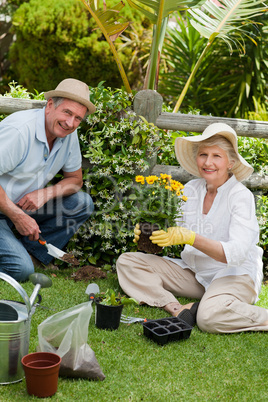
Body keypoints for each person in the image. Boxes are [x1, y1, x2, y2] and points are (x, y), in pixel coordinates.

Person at [116, 123, 268, 333]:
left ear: (230, 162)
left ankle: (209, 309)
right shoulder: (190, 189)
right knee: (128, 262)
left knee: (208, 318)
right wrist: (149, 235)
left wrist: (191, 237)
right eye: (203, 154)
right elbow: (172, 232)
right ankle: (177, 308)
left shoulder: (241, 197)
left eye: (217, 156)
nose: (208, 162)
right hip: (196, 272)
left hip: (234, 275)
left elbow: (237, 254)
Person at [0, 78, 96, 281]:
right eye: (67, 112)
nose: (71, 123)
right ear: (50, 105)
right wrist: (18, 216)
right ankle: (19, 261)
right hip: (4, 209)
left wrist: (46, 193)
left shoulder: (68, 134)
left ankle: (30, 256)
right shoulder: (19, 131)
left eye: (78, 118)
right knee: (20, 271)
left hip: (20, 206)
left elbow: (75, 179)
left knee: (82, 203)